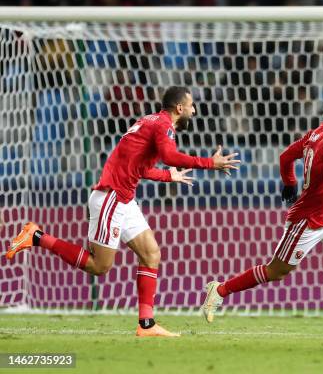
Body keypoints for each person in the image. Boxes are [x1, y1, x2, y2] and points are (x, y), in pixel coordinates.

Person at [6, 86, 240, 337]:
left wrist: (166, 178)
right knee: (99, 266)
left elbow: (138, 167)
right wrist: (209, 163)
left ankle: (146, 324)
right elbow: (170, 156)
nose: (194, 110)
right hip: (111, 197)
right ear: (179, 108)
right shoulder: (163, 126)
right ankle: (37, 236)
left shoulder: (150, 121)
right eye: (191, 105)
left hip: (124, 198)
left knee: (151, 254)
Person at [201, 93, 323, 327]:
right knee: (276, 271)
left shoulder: (315, 134)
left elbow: (286, 157)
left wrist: (289, 182)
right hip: (308, 220)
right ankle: (219, 290)